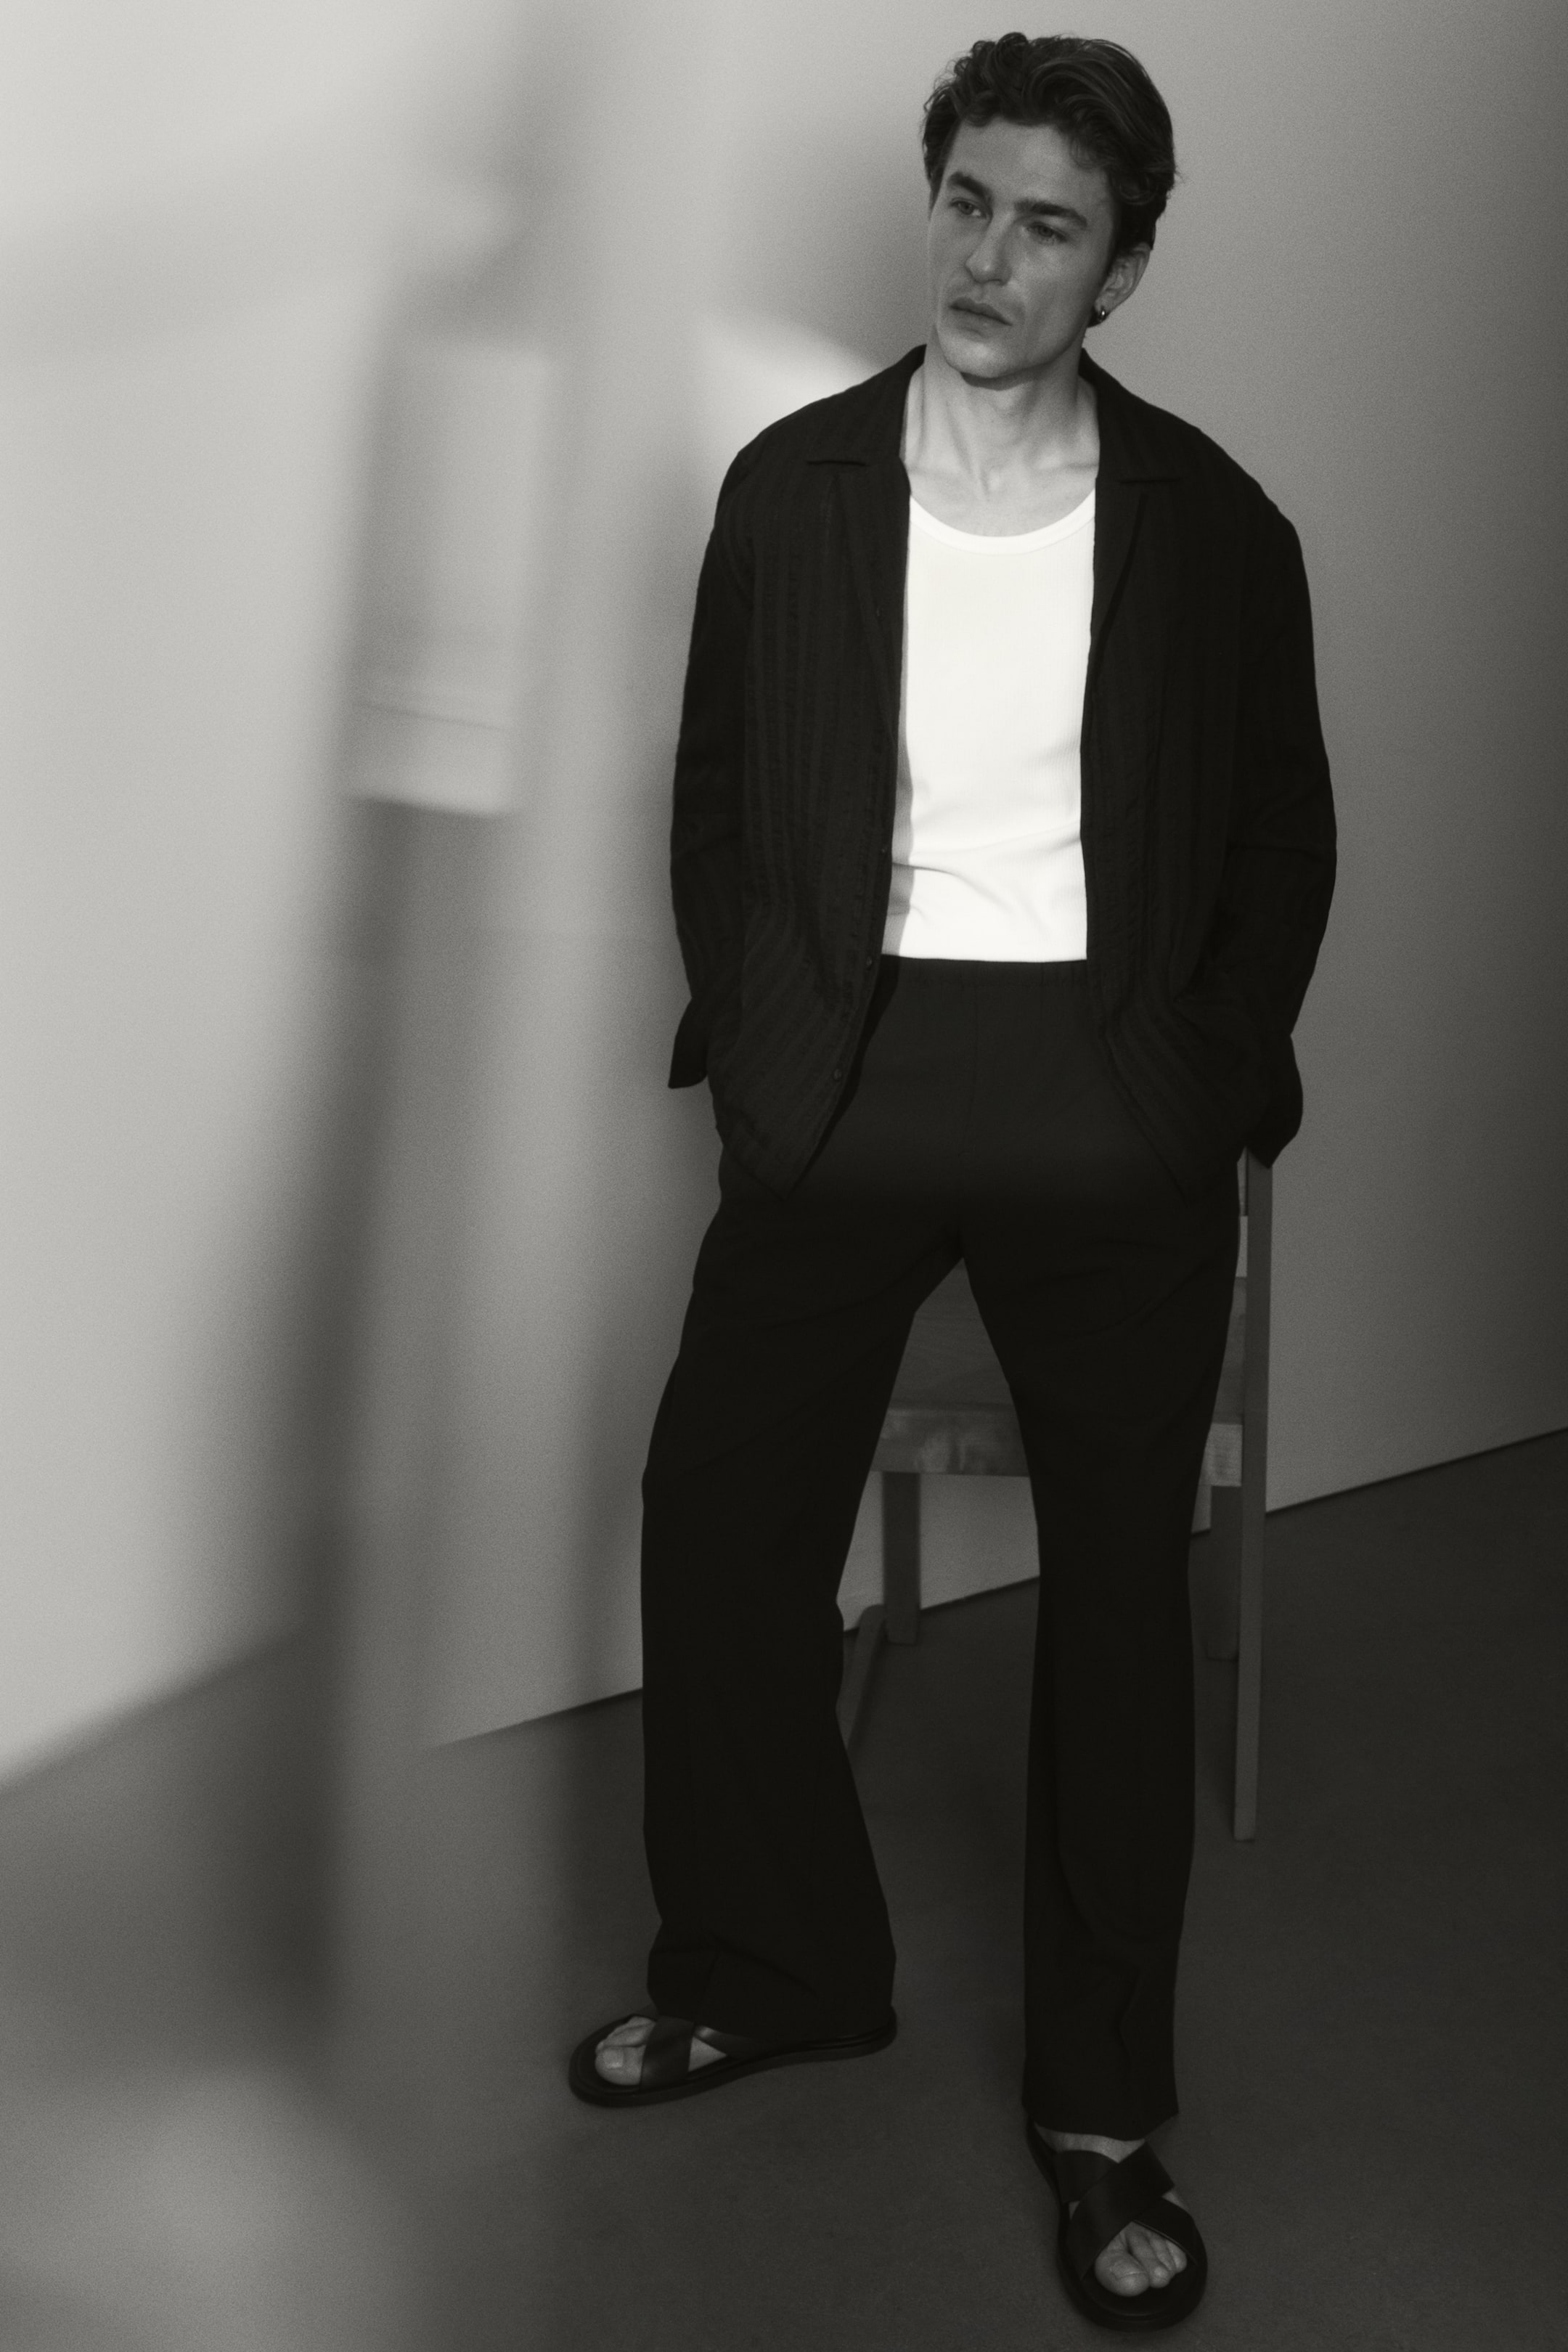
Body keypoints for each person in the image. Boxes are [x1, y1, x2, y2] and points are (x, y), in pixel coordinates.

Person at [568, 30, 1335, 2333]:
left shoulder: (1215, 528)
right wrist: (769, 1065)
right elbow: (717, 804)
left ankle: (1103, 2106)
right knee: (720, 1513)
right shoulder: (794, 489)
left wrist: (1191, 1086)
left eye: (1050, 226)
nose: (992, 260)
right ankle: (773, 1965)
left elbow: (1280, 845)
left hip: (1110, 1087)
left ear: (1125, 267)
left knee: (1116, 1597)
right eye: (969, 204)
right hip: (847, 1076)